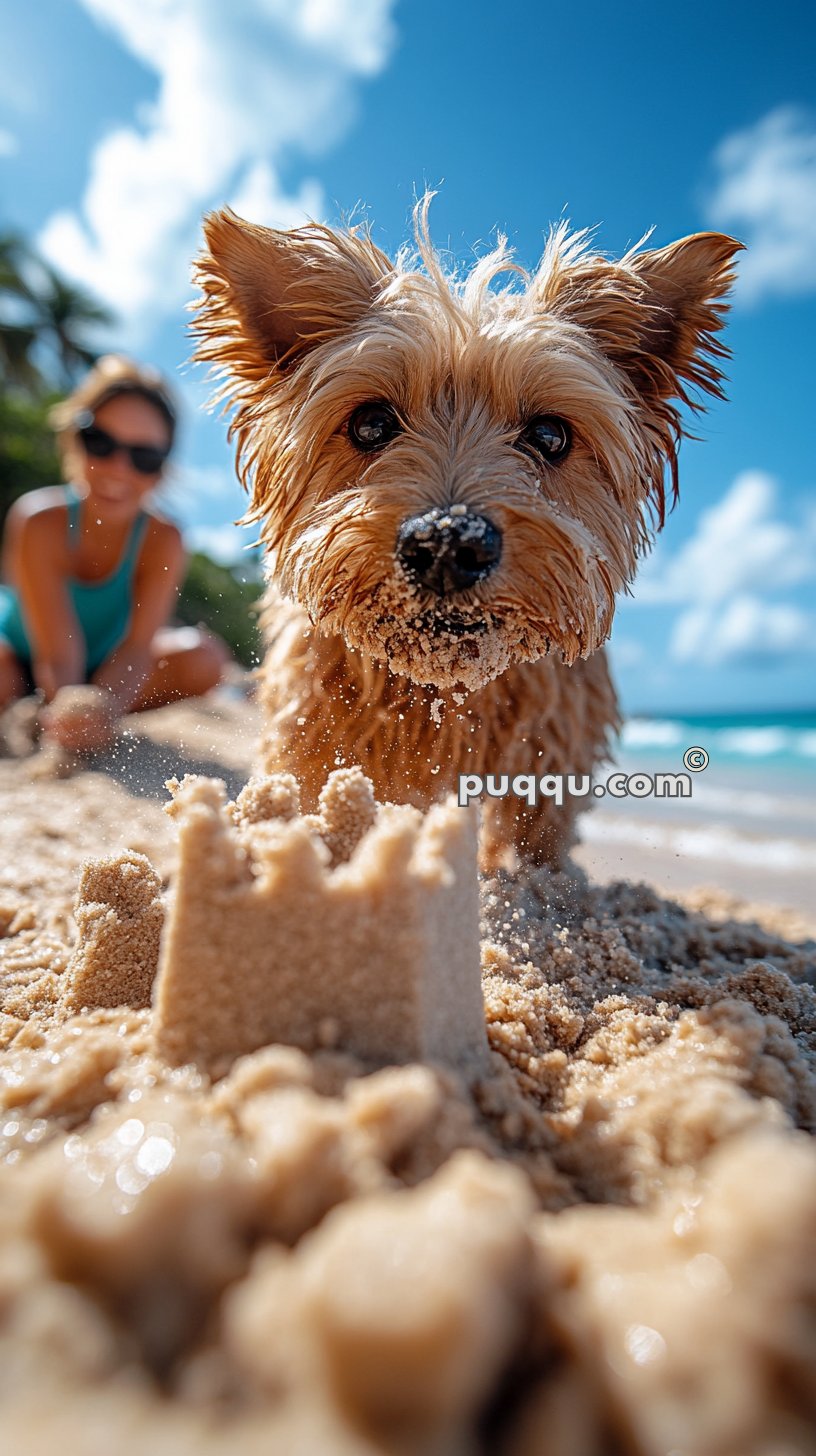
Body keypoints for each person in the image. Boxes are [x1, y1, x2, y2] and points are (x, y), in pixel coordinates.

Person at [0, 354, 230, 752]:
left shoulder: (165, 538)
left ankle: (57, 714)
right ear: (76, 439)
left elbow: (138, 649)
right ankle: (36, 708)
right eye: (101, 443)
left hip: (103, 666)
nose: (119, 469)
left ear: (161, 469)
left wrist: (101, 709)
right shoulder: (39, 520)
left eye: (144, 457)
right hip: (20, 655)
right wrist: (72, 703)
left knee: (204, 658)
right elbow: (57, 651)